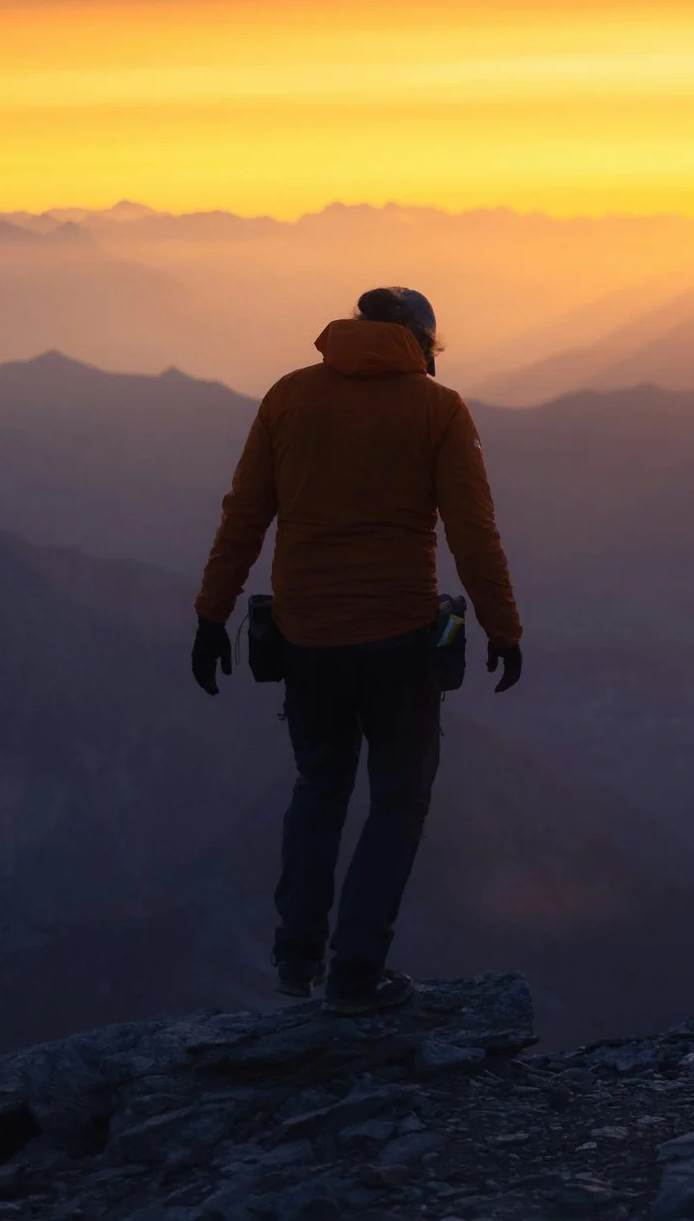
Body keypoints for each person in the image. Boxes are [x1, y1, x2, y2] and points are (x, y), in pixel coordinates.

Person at [190, 286, 524, 1014]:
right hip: (401, 638)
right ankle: (355, 974)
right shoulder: (439, 410)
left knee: (320, 787)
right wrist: (504, 628)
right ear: (422, 343)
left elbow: (244, 515)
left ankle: (295, 960)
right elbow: (474, 533)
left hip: (307, 638)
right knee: (398, 803)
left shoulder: (288, 397)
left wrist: (212, 616)